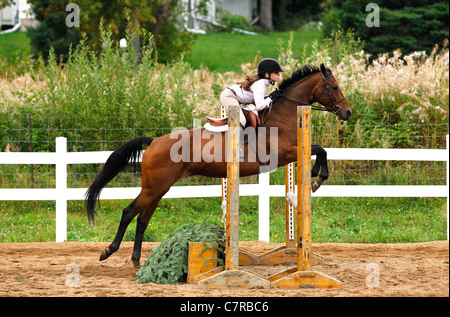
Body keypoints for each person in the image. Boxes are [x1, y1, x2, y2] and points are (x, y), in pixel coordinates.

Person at [220, 58, 285, 128]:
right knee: (241, 121)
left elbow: (259, 99)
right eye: (276, 72)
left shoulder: (264, 83)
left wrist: (270, 96)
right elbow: (260, 106)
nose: (279, 75)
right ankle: (233, 139)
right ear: (267, 74)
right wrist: (270, 97)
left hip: (234, 96)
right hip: (229, 96)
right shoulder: (260, 84)